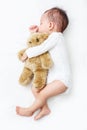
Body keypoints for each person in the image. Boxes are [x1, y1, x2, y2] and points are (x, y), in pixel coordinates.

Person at [16, 7, 72, 120]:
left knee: (41, 95)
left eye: (41, 23)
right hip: (55, 80)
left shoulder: (56, 37)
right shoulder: (52, 38)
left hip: (62, 80)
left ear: (50, 25)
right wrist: (34, 33)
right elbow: (39, 43)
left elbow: (42, 47)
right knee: (34, 89)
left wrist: (27, 53)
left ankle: (29, 110)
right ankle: (45, 108)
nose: (39, 26)